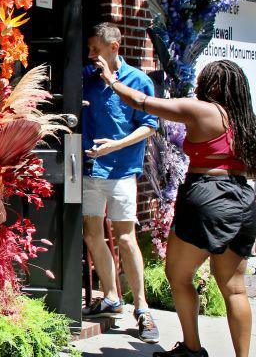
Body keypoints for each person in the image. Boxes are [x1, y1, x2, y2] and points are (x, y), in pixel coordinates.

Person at [95, 58, 256, 357]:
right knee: (235, 287)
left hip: (206, 197)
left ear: (214, 84)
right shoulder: (250, 123)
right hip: (242, 199)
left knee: (178, 274)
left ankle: (191, 348)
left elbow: (141, 101)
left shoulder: (201, 110)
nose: (199, 85)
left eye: (204, 80)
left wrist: (112, 80)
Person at [81, 23, 160, 343]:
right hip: (88, 169)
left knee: (126, 238)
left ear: (114, 48)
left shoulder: (138, 81)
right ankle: (112, 297)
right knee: (91, 234)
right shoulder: (86, 77)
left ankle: (141, 309)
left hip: (122, 171)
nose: (90, 55)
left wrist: (116, 145)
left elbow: (150, 126)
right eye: (89, 50)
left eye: (95, 49)